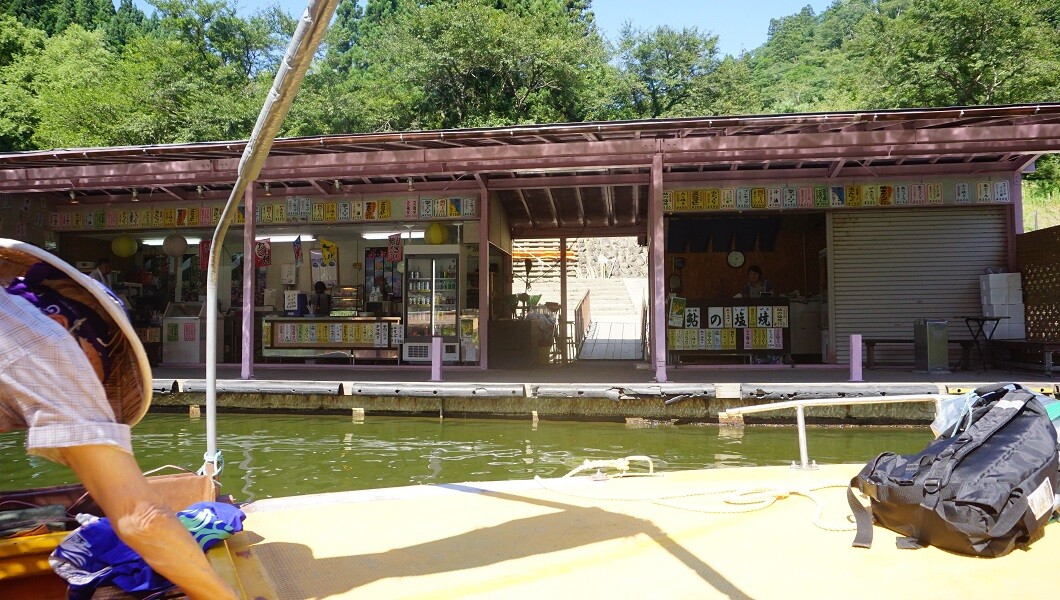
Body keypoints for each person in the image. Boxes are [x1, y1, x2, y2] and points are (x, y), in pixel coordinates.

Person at [0, 239, 236, 600]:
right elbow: (141, 517)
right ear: (64, 322)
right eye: (104, 362)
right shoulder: (48, 343)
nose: (96, 383)